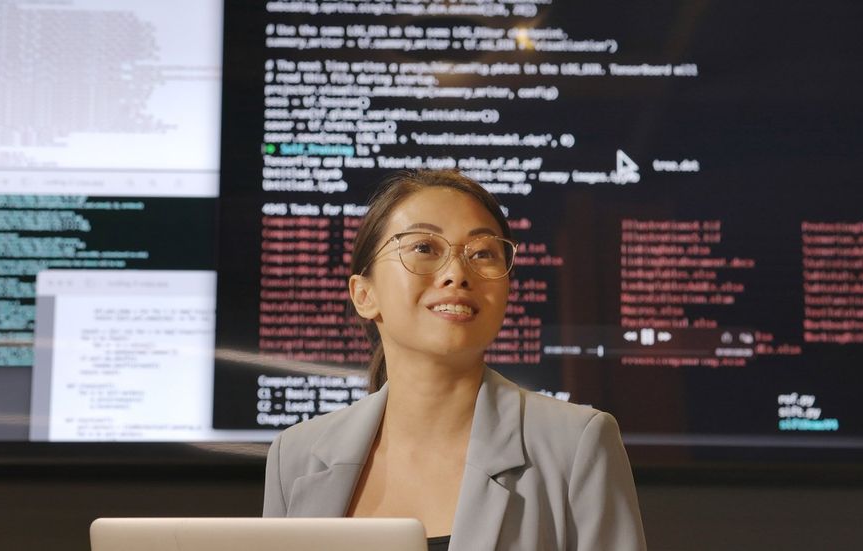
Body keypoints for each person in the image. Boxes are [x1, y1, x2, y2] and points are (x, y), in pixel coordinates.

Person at [263, 169, 646, 551]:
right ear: (364, 295)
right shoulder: (296, 457)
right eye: (424, 248)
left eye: (483, 253)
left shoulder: (576, 444)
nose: (457, 274)